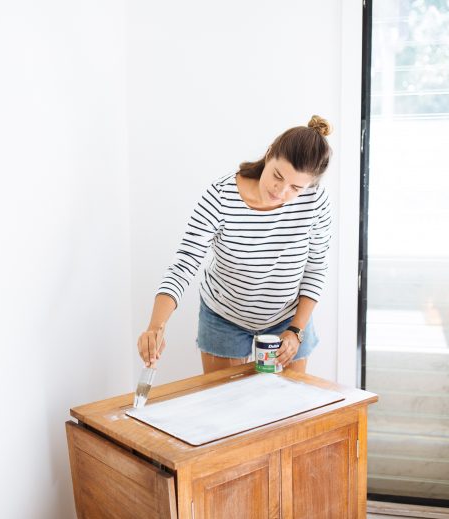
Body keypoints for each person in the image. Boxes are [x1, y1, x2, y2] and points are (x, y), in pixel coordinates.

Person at [137, 115, 333, 375]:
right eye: (277, 175)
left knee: (290, 409)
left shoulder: (315, 201)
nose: (280, 191)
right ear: (269, 153)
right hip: (224, 316)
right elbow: (185, 262)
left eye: (295, 188)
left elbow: (316, 268)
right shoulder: (220, 196)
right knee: (225, 407)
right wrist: (156, 326)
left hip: (289, 318)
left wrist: (296, 330)